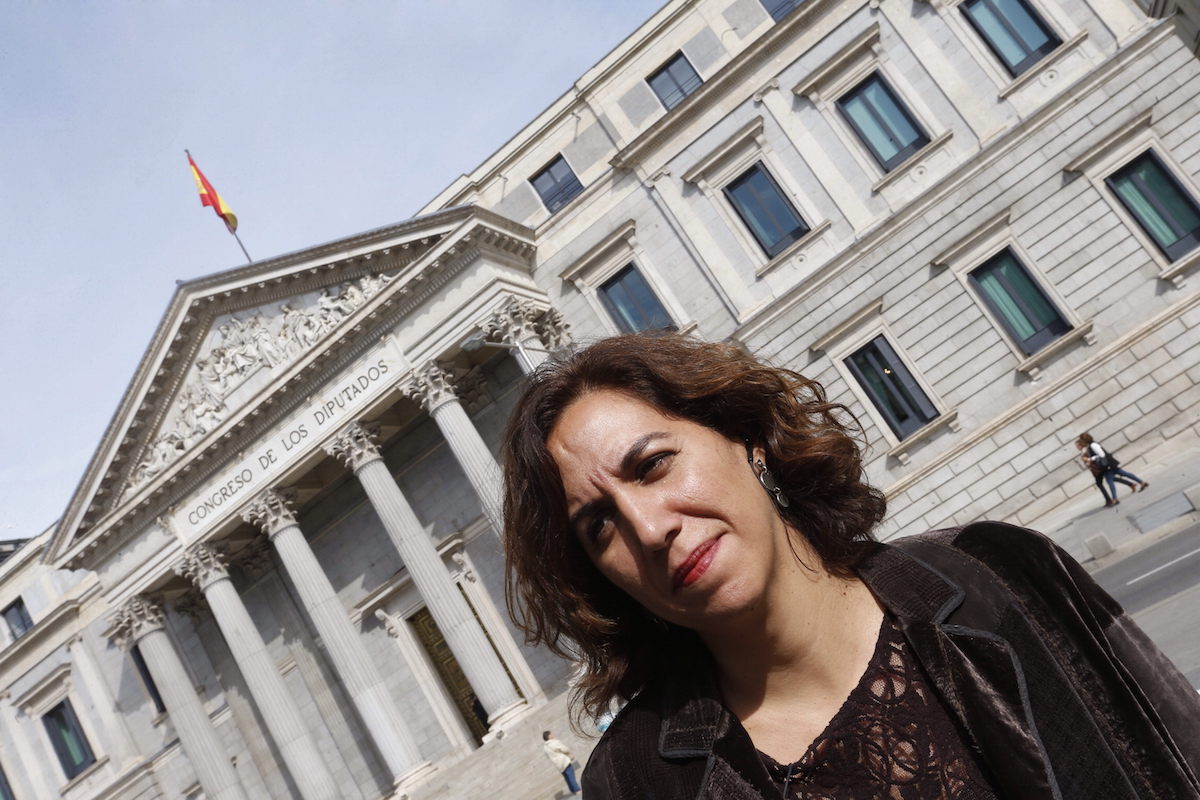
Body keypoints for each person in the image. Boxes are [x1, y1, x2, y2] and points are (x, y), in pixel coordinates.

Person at [502, 333, 1200, 800]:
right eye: (598, 527)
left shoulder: (997, 574)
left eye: (653, 466)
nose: (650, 529)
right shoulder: (637, 780)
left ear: (748, 442)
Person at [1076, 433, 1148, 504]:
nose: (1080, 441)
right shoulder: (1091, 445)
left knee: (1111, 481)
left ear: (1084, 440)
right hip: (1108, 465)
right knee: (1124, 474)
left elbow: (1102, 454)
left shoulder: (1093, 445)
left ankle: (1115, 499)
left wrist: (1091, 459)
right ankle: (1141, 482)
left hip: (1107, 465)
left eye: (1081, 439)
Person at [542, 730, 580, 795]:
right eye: (550, 734)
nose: (552, 735)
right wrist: (569, 752)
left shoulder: (545, 748)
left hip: (558, 764)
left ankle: (573, 790)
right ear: (548, 736)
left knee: (567, 778)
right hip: (564, 761)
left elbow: (548, 757)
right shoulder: (554, 742)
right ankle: (577, 790)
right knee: (571, 776)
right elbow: (565, 749)